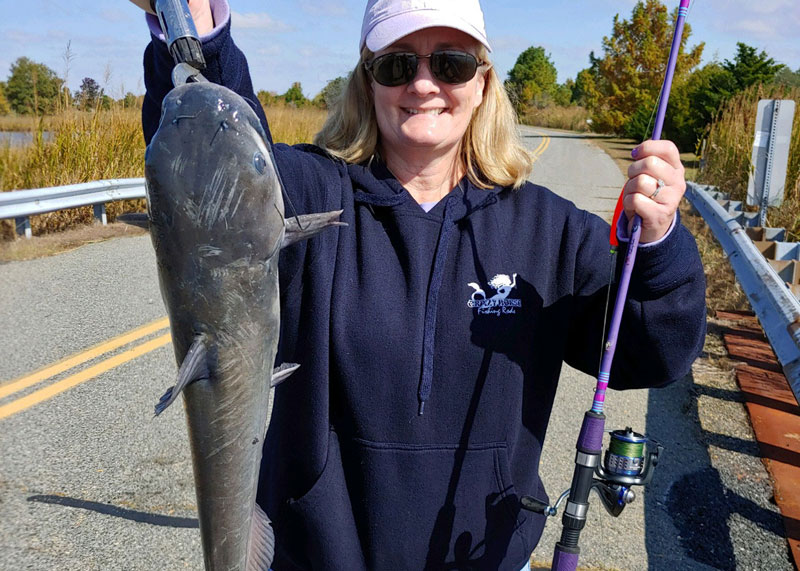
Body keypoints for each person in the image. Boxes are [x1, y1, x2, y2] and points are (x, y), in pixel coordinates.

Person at [130, 0, 706, 569]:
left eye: (451, 63)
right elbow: (210, 154)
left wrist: (659, 244)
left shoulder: (552, 230)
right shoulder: (308, 195)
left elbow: (653, 355)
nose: (424, 84)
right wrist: (194, 30)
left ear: (483, 83)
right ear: (367, 82)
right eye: (397, 64)